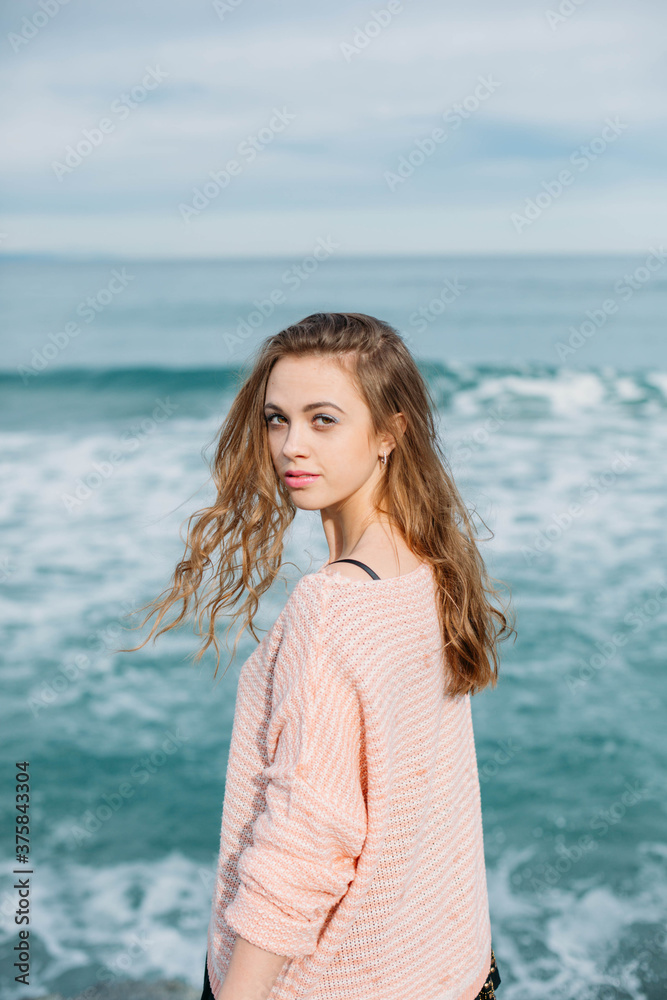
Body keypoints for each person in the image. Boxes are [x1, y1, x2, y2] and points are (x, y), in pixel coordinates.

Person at [126, 312, 514, 1000]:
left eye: (322, 419)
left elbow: (304, 840)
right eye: (276, 419)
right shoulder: (429, 570)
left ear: (388, 433)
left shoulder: (332, 605)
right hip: (449, 970)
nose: (289, 446)